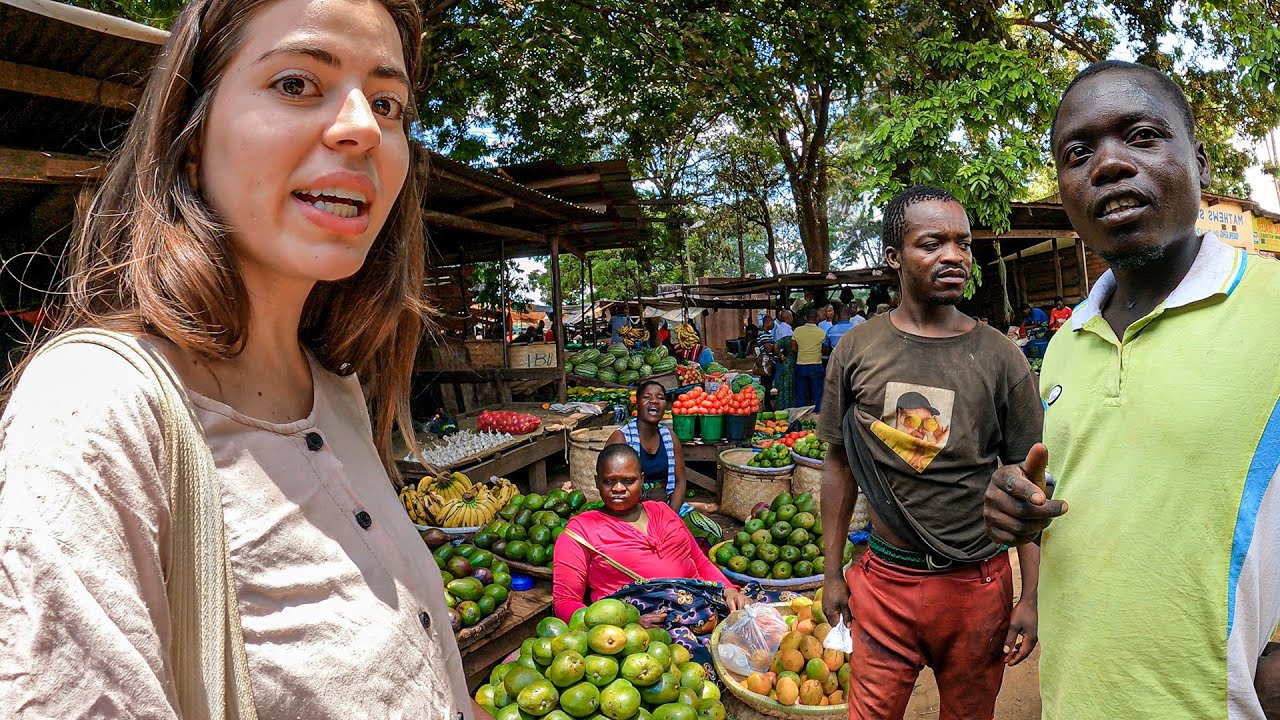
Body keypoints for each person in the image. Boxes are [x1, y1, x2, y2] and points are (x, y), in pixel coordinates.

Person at [0, 0, 481, 717]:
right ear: (189, 139)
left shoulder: (337, 390)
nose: (362, 128)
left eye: (388, 103)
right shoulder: (97, 405)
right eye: (295, 83)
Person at [983, 60, 1280, 720]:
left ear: (1200, 164)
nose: (1108, 165)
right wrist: (1023, 516)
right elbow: (1083, 498)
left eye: (1142, 135)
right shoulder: (1065, 344)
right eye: (1078, 152)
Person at [818, 185, 1044, 720]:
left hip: (977, 585)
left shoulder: (1001, 357)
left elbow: (1027, 485)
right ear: (893, 257)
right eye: (932, 243)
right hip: (882, 583)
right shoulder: (855, 349)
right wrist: (832, 572)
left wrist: (1029, 597)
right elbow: (839, 464)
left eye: (962, 244)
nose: (954, 256)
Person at [552, 445, 749, 666]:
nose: (618, 488)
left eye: (628, 480)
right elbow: (565, 602)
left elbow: (699, 561)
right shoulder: (581, 531)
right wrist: (625, 626)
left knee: (765, 623)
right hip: (649, 633)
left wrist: (729, 590)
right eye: (609, 481)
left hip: (705, 605)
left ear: (642, 479)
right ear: (597, 482)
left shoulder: (663, 511)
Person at [791, 307, 826, 411]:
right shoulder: (821, 332)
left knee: (800, 395)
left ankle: (800, 419)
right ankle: (816, 419)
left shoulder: (797, 330)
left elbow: (793, 348)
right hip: (816, 365)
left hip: (801, 365)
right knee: (817, 394)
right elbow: (825, 351)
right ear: (817, 319)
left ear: (806, 317)